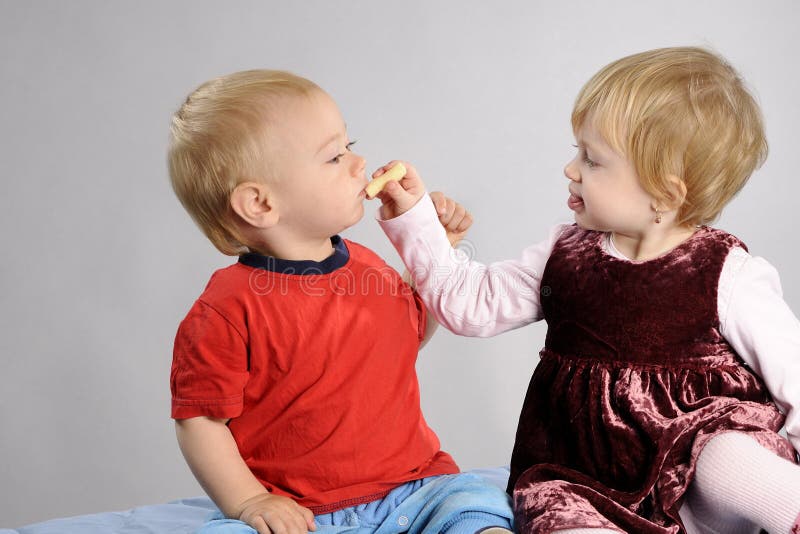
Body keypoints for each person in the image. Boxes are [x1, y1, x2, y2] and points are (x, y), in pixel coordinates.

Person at [375, 47, 800, 533]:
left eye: (592, 160)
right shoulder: (565, 254)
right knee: (559, 519)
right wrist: (417, 221)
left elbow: (794, 377)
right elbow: (470, 306)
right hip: (579, 479)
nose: (571, 169)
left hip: (694, 488)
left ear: (664, 192)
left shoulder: (727, 273)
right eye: (577, 151)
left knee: (726, 455)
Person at [167, 70, 514, 534]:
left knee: (474, 503)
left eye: (350, 145)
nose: (359, 163)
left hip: (414, 488)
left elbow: (408, 332)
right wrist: (250, 502)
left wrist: (437, 248)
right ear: (260, 204)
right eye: (334, 156)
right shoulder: (227, 310)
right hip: (299, 512)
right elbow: (201, 422)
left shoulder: (367, 267)